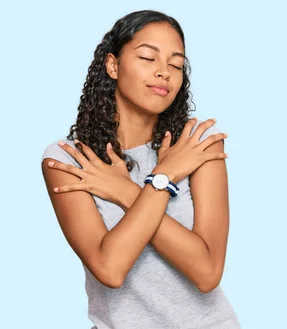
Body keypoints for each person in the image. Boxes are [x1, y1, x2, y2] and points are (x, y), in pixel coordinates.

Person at [40, 10, 241, 329]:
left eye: (176, 64)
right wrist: (163, 179)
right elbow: (110, 268)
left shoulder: (196, 146)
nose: (164, 72)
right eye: (148, 57)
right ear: (113, 65)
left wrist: (132, 189)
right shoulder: (69, 159)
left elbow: (207, 272)